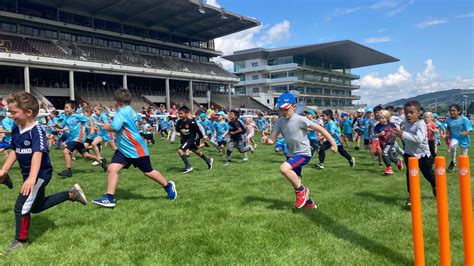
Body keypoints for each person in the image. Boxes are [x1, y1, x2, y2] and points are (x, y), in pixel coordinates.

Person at [0, 92, 87, 253]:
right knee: (36, 207)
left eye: (13, 112)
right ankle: (71, 194)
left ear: (28, 112)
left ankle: (20, 241)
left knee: (21, 206)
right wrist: (4, 169)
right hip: (29, 174)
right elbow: (14, 150)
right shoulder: (16, 128)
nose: (10, 115)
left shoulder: (37, 130)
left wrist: (32, 178)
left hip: (40, 174)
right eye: (9, 112)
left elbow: (37, 154)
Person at [92, 88, 176, 208]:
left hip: (136, 148)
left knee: (148, 172)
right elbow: (136, 120)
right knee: (112, 168)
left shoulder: (121, 112)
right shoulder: (129, 109)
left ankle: (168, 186)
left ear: (116, 102)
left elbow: (115, 127)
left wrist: (106, 126)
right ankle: (109, 198)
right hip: (124, 149)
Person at [262, 93, 337, 209]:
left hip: (303, 153)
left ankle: (303, 190)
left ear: (294, 106)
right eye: (280, 109)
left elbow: (321, 129)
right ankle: (309, 203)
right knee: (296, 181)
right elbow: (272, 140)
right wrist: (267, 140)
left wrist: (333, 144)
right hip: (291, 154)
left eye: (285, 109)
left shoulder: (300, 119)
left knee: (283, 169)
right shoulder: (279, 122)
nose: (283, 112)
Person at [393, 100, 436, 207]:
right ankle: (412, 195)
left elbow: (418, 139)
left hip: (423, 156)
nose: (408, 115)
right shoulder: (405, 121)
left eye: (411, 112)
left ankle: (435, 185)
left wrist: (402, 134)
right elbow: (393, 119)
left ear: (418, 113)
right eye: (406, 112)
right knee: (410, 176)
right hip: (409, 154)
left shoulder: (420, 124)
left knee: (428, 174)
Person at [55, 100, 107, 177]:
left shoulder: (78, 116)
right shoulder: (66, 118)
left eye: (67, 108)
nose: (65, 109)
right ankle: (101, 161)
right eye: (64, 107)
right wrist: (57, 125)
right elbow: (61, 126)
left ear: (73, 109)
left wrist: (92, 129)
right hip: (75, 139)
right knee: (86, 155)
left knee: (66, 151)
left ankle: (68, 171)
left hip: (79, 138)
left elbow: (90, 119)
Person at [175, 106, 213, 173]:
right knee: (196, 151)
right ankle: (208, 160)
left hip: (190, 139)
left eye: (181, 113)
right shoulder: (178, 122)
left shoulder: (191, 122)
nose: (180, 115)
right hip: (185, 139)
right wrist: (179, 133)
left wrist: (202, 137)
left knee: (180, 150)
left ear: (186, 114)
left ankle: (188, 166)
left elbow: (197, 130)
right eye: (179, 113)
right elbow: (178, 130)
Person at [373, 110, 403, 175]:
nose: (381, 120)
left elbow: (397, 131)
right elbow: (375, 135)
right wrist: (379, 134)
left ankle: (389, 168)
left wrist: (399, 136)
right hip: (382, 143)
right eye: (379, 118)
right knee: (390, 157)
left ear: (387, 118)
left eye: (382, 118)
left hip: (390, 142)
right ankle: (398, 161)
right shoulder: (377, 126)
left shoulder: (391, 125)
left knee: (384, 153)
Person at [445, 103, 472, 171]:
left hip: (464, 138)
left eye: (454, 110)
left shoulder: (464, 119)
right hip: (455, 137)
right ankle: (453, 162)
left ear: (459, 111)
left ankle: (464, 169)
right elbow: (448, 126)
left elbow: (469, 129)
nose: (451, 112)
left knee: (464, 155)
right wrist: (448, 132)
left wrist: (465, 133)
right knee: (452, 147)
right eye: (450, 110)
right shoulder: (448, 119)